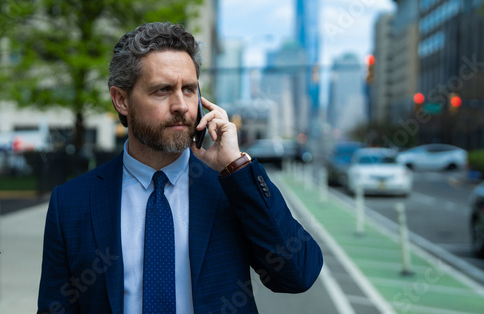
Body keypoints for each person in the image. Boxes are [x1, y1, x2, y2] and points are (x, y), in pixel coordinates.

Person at [37, 22, 323, 314]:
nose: (181, 105)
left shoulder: (230, 187)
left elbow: (297, 274)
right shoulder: (71, 203)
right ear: (121, 100)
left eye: (188, 90)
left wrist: (236, 167)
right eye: (162, 90)